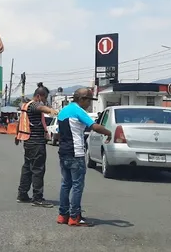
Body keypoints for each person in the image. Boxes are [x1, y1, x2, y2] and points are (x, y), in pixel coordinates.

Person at [56, 88, 111, 227]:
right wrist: (108, 132)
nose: (89, 104)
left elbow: (58, 132)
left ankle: (63, 215)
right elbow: (94, 126)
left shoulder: (63, 111)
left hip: (63, 153)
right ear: (82, 99)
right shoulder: (78, 111)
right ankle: (74, 217)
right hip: (76, 153)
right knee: (77, 186)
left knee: (65, 184)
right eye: (88, 100)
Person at [16, 82, 58, 207]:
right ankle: (37, 198)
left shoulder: (26, 105)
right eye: (44, 98)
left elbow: (21, 122)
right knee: (38, 170)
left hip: (28, 141)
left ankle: (22, 194)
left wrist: (17, 136)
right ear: (39, 96)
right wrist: (51, 110)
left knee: (27, 168)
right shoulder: (34, 105)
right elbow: (40, 108)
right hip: (36, 143)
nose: (44, 101)